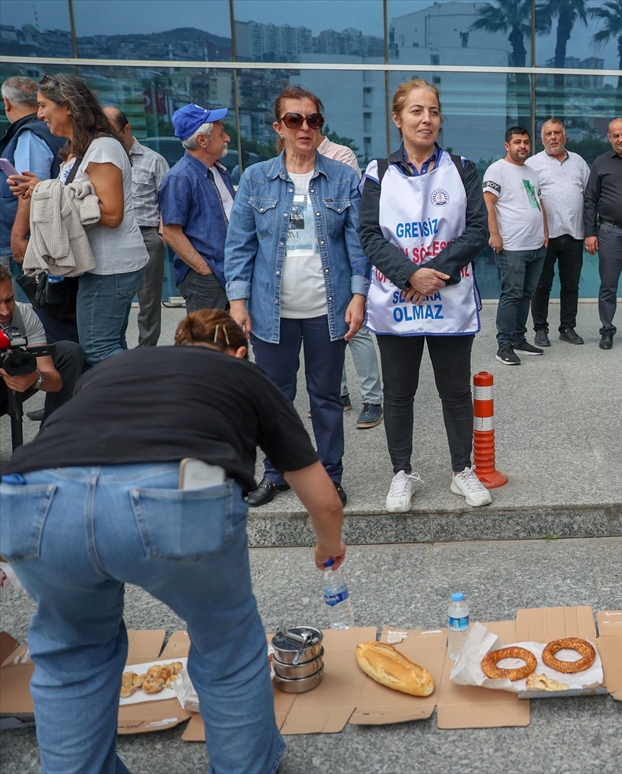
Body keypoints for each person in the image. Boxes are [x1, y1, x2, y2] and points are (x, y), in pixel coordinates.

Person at [0, 309, 347, 774]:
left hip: (36, 498)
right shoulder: (244, 374)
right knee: (228, 646)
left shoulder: (117, 367)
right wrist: (328, 546)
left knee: (70, 656)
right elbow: (325, 502)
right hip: (170, 494)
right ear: (239, 352)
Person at [225, 86, 367, 507]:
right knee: (274, 401)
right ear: (278, 127)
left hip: (329, 309)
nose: (305, 127)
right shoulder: (255, 178)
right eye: (295, 120)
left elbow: (358, 246)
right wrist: (237, 301)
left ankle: (329, 476)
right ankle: (276, 474)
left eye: (314, 120)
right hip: (272, 312)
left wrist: (358, 297)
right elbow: (239, 246)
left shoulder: (343, 178)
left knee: (326, 399)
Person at [358, 77, 492, 512]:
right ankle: (402, 472)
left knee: (455, 391)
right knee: (399, 393)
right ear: (397, 119)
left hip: (448, 297)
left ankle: (461, 470)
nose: (426, 119)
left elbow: (476, 229)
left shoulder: (463, 168)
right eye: (416, 111)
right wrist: (410, 275)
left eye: (433, 111)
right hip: (397, 299)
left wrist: (437, 273)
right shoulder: (378, 172)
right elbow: (369, 235)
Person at [8, 73, 150, 366]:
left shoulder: (101, 149)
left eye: (44, 105)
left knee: (98, 348)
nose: (40, 113)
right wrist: (39, 189)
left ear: (69, 107)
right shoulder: (79, 150)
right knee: (110, 344)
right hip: (100, 266)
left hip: (109, 267)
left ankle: (152, 393)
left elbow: (111, 214)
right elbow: (74, 197)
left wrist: (47, 191)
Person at [313, 129, 383, 430]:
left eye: (309, 120)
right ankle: (339, 393)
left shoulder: (341, 156)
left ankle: (373, 399)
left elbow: (351, 212)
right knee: (326, 331)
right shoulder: (286, 162)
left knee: (357, 331)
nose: (301, 128)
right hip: (310, 264)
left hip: (343, 259)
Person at [103, 107, 170, 347]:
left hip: (146, 234)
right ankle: (115, 349)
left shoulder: (154, 160)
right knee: (114, 296)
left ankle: (146, 352)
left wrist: (161, 235)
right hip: (113, 235)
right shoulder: (103, 160)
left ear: (127, 129)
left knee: (149, 300)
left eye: (111, 133)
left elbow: (168, 203)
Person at [158, 103, 234, 314]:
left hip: (228, 275)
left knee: (230, 343)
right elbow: (170, 233)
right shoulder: (179, 178)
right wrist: (204, 270)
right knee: (206, 344)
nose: (227, 138)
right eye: (221, 134)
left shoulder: (220, 171)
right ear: (202, 140)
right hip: (206, 280)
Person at [484, 126, 549, 365]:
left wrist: (545, 233)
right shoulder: (497, 169)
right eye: (517, 142)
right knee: (511, 294)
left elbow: (538, 203)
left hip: (536, 245)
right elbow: (489, 205)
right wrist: (494, 234)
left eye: (526, 142)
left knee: (526, 294)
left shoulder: (531, 171)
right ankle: (504, 345)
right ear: (507, 145)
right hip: (512, 245)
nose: (522, 146)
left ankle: (519, 338)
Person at [526, 118, 590, 348]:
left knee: (571, 284)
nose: (553, 137)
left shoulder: (579, 162)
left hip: (574, 234)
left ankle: (567, 327)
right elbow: (528, 200)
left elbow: (589, 196)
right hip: (544, 237)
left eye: (557, 133)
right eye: (549, 134)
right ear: (542, 139)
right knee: (542, 285)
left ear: (565, 136)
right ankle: (540, 329)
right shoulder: (532, 164)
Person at [583, 117, 622, 349]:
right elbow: (590, 200)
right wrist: (590, 233)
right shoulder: (600, 163)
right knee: (608, 285)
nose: (620, 139)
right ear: (609, 137)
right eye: (615, 135)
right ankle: (607, 330)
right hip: (610, 232)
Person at [0, 264, 83, 425]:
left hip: (10, 382)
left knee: (69, 352)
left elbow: (55, 382)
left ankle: (54, 440)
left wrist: (36, 378)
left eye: (9, 300)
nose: (4, 311)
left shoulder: (23, 315)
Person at [1, 77, 62, 292]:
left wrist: (17, 236)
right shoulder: (45, 130)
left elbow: (29, 189)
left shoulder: (30, 134)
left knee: (32, 309)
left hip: (27, 240)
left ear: (6, 103)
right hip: (39, 235)